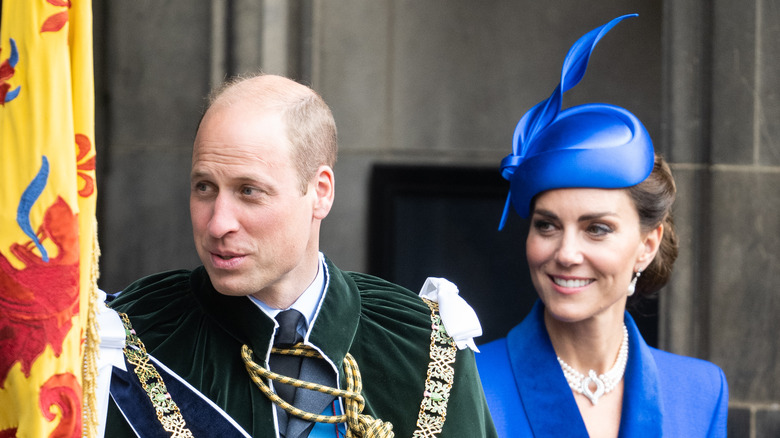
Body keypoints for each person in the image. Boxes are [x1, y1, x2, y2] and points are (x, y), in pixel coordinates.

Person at [103, 74, 496, 438]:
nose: (218, 223)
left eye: (249, 191)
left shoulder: (421, 345)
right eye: (204, 187)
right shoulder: (127, 335)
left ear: (320, 192)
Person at [476, 15, 728, 438]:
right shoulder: (468, 384)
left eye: (597, 229)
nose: (567, 253)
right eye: (547, 226)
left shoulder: (700, 394)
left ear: (648, 245)